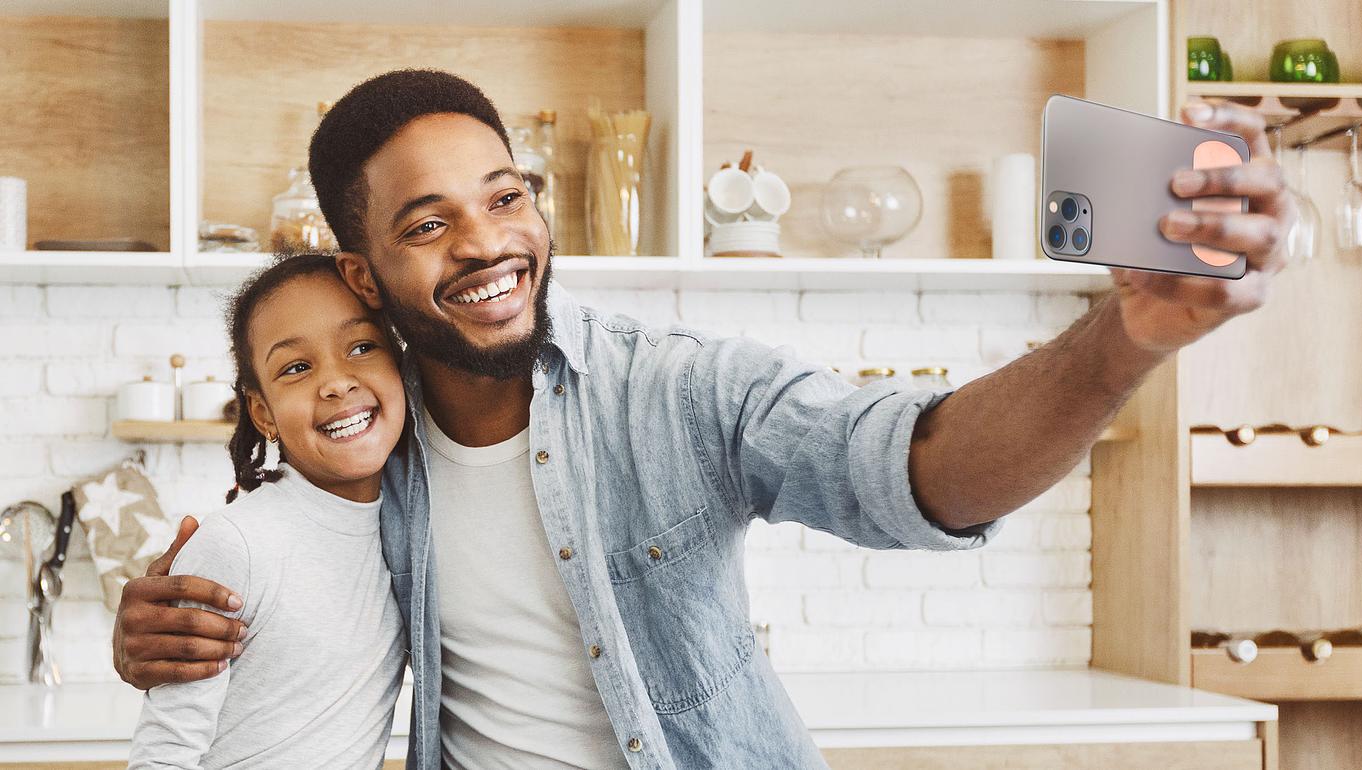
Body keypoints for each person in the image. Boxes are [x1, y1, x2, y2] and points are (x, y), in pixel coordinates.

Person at [112, 70, 1293, 769]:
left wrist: (1123, 336)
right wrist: (164, 638)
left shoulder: (677, 387)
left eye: (505, 195)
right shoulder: (371, 436)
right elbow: (289, 586)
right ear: (363, 271)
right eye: (426, 225)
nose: (486, 243)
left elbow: (908, 467)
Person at [127, 254, 409, 768]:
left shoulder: (413, 524)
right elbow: (164, 752)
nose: (337, 382)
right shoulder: (236, 544)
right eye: (297, 367)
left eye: (363, 346)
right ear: (263, 414)